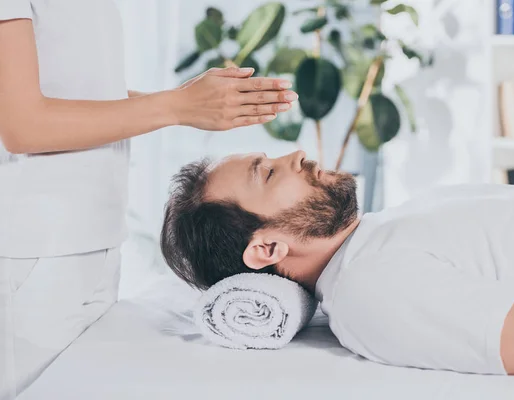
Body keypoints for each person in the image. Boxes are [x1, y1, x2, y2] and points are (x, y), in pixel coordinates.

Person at [0, 1, 298, 398]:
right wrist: (178, 106)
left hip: (95, 237)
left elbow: (78, 92)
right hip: (33, 246)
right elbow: (23, 124)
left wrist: (193, 103)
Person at [160, 150, 514, 383]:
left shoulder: (382, 231)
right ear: (268, 248)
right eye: (270, 174)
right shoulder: (369, 287)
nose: (295, 155)